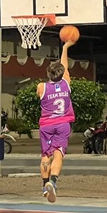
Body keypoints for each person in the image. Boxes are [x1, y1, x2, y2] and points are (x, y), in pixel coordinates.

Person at [37, 40, 76, 203]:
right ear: (62, 73)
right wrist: (66, 47)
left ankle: (45, 184)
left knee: (46, 156)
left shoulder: (41, 87)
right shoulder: (66, 83)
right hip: (63, 124)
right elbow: (65, 66)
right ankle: (53, 181)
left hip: (46, 125)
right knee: (58, 153)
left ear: (48, 73)